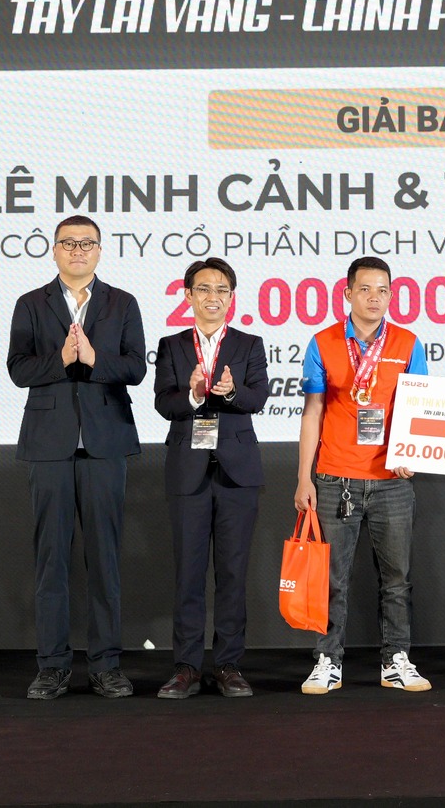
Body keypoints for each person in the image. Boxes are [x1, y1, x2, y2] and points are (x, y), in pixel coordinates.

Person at [7, 214, 148, 700]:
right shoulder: (31, 303)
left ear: (99, 250)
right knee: (51, 560)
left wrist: (93, 359)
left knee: (104, 559)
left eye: (87, 243)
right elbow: (18, 369)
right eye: (69, 243)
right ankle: (52, 666)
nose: (78, 251)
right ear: (54, 250)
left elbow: (135, 368)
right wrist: (62, 359)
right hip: (49, 444)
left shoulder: (122, 303)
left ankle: (106, 665)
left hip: (105, 443)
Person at [293, 256, 432, 695]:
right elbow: (313, 412)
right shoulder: (323, 342)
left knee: (397, 580)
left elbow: (419, 407)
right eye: (366, 289)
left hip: (393, 480)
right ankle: (327, 661)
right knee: (331, 579)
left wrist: (412, 451)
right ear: (348, 293)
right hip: (335, 479)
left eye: (383, 290)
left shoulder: (408, 343)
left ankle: (396, 660)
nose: (375, 298)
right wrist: (304, 478)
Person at [151, 257, 269, 698]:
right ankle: (186, 666)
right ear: (188, 296)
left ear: (232, 298)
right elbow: (164, 403)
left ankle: (228, 665)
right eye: (204, 289)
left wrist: (231, 392)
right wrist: (193, 394)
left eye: (222, 290)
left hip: (237, 471)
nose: (213, 297)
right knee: (189, 572)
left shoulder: (250, 343)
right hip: (188, 470)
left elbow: (258, 397)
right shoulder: (172, 345)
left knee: (233, 573)